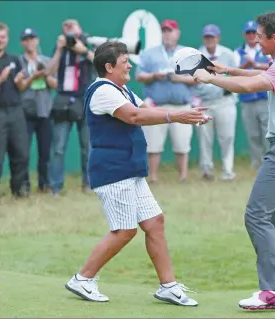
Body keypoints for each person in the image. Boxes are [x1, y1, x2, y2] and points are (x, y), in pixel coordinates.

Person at [65, 41, 212, 306]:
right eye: (124, 62)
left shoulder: (122, 89)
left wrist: (186, 114)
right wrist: (177, 116)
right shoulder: (103, 91)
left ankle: (168, 286)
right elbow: (133, 117)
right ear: (109, 67)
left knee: (154, 222)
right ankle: (83, 278)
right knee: (124, 231)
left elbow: (144, 110)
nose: (130, 65)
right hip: (112, 171)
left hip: (130, 170)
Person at [194, 11, 275, 309]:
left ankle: (273, 290)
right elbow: (257, 75)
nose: (256, 39)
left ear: (274, 38)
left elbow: (251, 86)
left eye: (260, 35)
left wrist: (210, 78)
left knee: (256, 215)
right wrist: (227, 70)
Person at [135, 19, 195, 183]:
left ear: (177, 34)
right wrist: (155, 76)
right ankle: (153, 177)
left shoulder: (187, 53)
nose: (167, 34)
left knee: (182, 144)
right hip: (157, 105)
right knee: (153, 145)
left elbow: (198, 78)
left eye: (170, 31)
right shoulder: (150, 53)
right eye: (164, 31)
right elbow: (139, 76)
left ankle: (183, 176)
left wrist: (180, 78)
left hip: (181, 105)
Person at [48, 19, 95, 194]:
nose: (70, 31)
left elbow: (98, 62)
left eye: (73, 27)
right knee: (58, 148)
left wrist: (82, 49)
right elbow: (49, 71)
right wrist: (60, 48)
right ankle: (55, 187)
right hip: (63, 100)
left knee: (87, 146)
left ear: (80, 29)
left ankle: (89, 184)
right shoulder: (60, 47)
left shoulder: (88, 44)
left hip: (84, 99)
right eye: (66, 28)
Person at [193, 24, 238, 180]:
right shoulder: (196, 56)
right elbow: (191, 78)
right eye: (207, 37)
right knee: (204, 137)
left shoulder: (228, 54)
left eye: (212, 37)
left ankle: (228, 170)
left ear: (218, 38)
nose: (209, 40)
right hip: (203, 101)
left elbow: (235, 75)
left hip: (224, 100)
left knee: (227, 137)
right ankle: (206, 170)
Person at [18, 28, 57, 192]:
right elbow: (18, 87)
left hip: (44, 111)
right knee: (23, 152)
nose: (29, 42)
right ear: (22, 43)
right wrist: (32, 77)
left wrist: (45, 74)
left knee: (45, 152)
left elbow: (55, 85)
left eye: (32, 38)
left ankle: (44, 184)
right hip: (25, 112)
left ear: (37, 40)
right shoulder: (19, 61)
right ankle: (24, 185)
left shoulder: (46, 61)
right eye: (26, 39)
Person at [234, 20, 272, 169]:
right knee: (252, 134)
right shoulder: (237, 52)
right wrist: (245, 66)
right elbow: (233, 71)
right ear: (244, 35)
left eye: (253, 33)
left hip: (264, 97)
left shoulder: (266, 49)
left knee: (268, 132)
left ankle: (270, 163)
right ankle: (256, 163)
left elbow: (272, 67)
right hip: (247, 98)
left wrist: (256, 65)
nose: (251, 36)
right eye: (248, 33)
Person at [0, 22, 30, 198]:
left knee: (21, 153)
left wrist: (20, 81)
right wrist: (1, 79)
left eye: (3, 37)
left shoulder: (14, 60)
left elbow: (22, 87)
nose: (0, 40)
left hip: (16, 110)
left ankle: (19, 192)